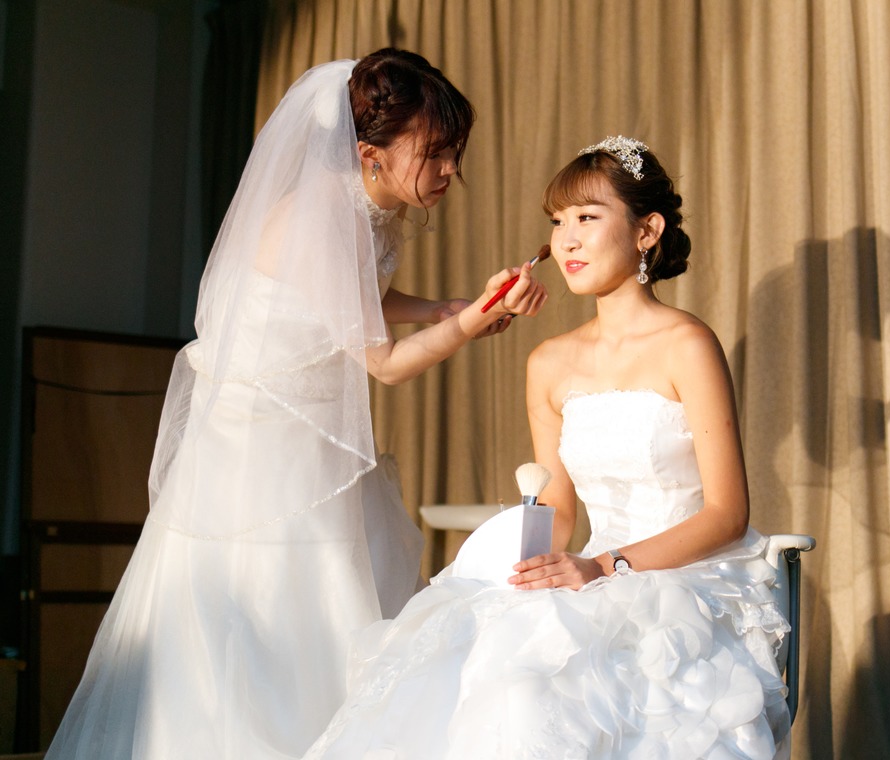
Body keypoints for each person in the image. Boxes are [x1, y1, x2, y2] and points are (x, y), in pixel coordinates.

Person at [46, 49, 546, 759]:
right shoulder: (318, 217)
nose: (449, 172)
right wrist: (464, 327)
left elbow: (354, 299)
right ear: (369, 152)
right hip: (261, 449)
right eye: (435, 153)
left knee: (337, 601)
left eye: (454, 154)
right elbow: (386, 364)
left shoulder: (372, 206)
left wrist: (441, 306)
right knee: (265, 625)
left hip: (313, 434)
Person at [304, 137, 791, 759]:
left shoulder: (688, 345)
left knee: (573, 693)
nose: (566, 240)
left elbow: (727, 515)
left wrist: (604, 567)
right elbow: (558, 513)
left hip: (685, 579)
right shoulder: (548, 363)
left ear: (647, 231)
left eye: (588, 218)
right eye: (558, 222)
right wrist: (504, 568)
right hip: (589, 575)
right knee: (494, 671)